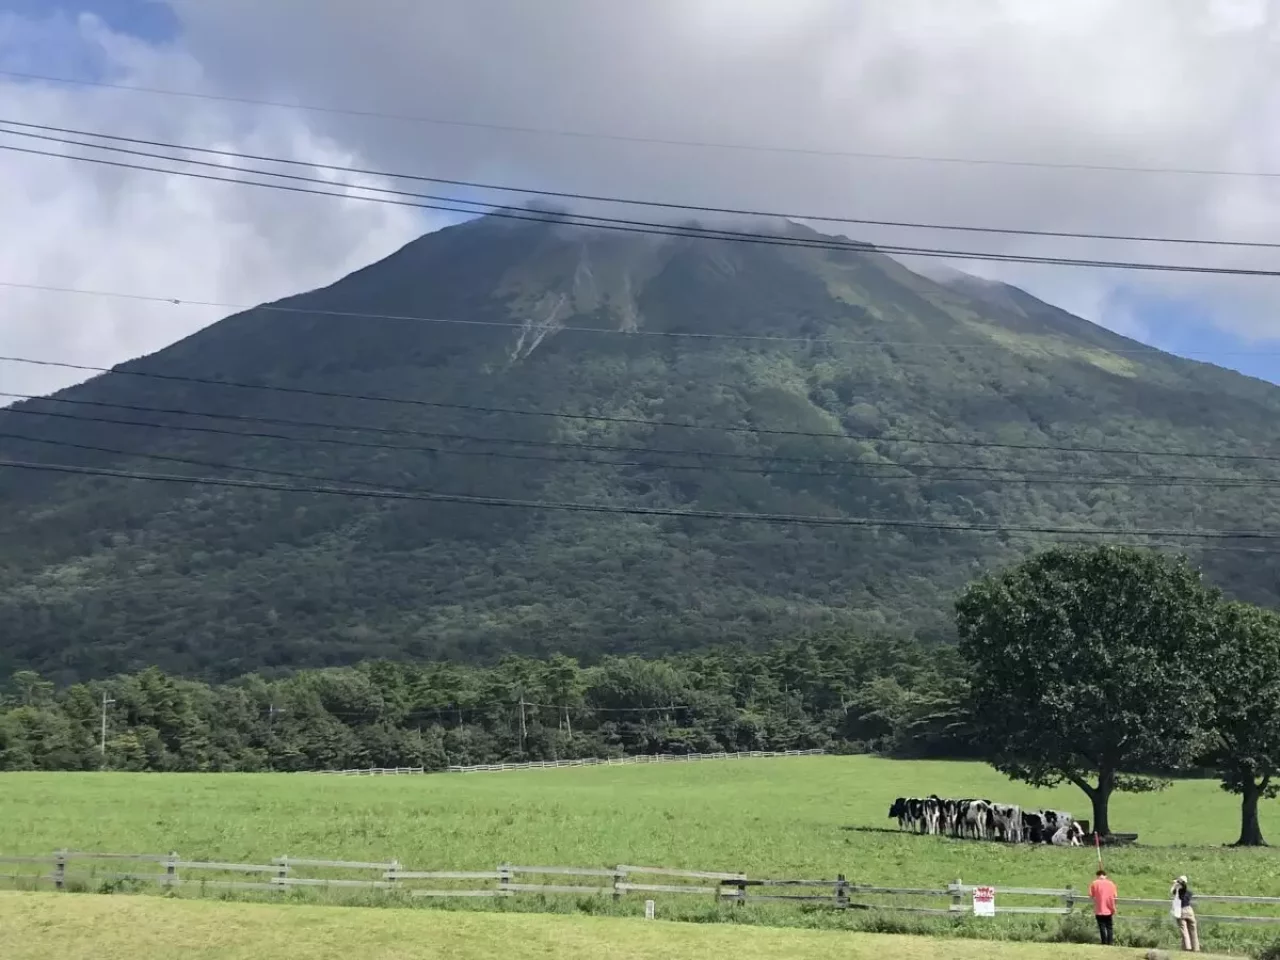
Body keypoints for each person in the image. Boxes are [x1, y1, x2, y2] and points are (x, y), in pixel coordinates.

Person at [1088, 868, 1118, 945]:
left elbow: (1091, 895)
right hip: (1109, 908)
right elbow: (1115, 896)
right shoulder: (1111, 883)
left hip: (1099, 908)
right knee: (1109, 927)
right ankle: (1110, 942)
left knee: (1102, 926)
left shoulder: (1094, 883)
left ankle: (1103, 942)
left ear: (1097, 876)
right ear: (1105, 875)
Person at [1171, 875, 1200, 952]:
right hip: (1189, 910)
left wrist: (1176, 884)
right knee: (1193, 929)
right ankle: (1196, 947)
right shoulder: (1189, 893)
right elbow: (1188, 892)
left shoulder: (1177, 892)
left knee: (1184, 930)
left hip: (1181, 911)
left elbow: (1173, 891)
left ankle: (1187, 947)